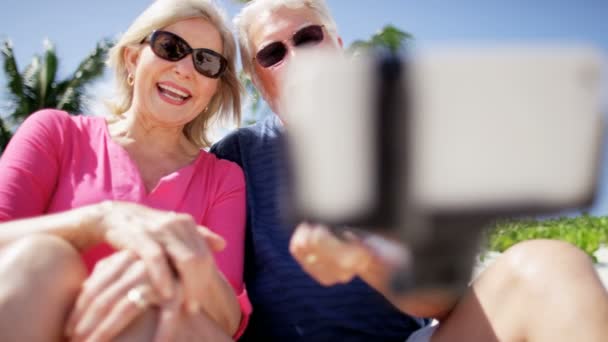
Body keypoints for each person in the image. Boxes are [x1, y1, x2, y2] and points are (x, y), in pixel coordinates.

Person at [211, 0, 608, 341]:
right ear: (258, 82)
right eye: (272, 54)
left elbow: (442, 299)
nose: (297, 58)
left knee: (551, 266)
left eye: (307, 37)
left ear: (336, 45)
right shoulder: (236, 157)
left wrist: (363, 257)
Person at [0, 0, 250, 341]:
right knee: (42, 257)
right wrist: (100, 220)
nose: (185, 69)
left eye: (206, 61)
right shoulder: (55, 133)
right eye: (170, 47)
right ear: (133, 59)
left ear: (214, 89)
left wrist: (180, 271)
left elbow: (225, 320)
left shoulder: (224, 178)